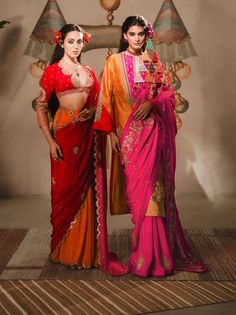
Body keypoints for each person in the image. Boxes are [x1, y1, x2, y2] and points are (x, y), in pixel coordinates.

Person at [94, 16, 207, 277]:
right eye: (131, 34)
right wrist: (110, 133)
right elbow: (105, 98)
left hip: (152, 134)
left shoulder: (152, 61)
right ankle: (145, 249)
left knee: (153, 195)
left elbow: (167, 93)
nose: (136, 38)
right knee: (137, 196)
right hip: (128, 138)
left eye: (140, 34)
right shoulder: (113, 62)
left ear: (146, 35)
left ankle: (154, 257)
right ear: (124, 36)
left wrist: (152, 104)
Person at [35, 23, 128, 276]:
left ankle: (88, 250)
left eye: (79, 41)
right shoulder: (53, 71)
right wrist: (50, 141)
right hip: (65, 134)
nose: (75, 46)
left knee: (89, 190)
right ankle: (65, 249)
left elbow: (101, 104)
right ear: (61, 43)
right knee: (66, 191)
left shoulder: (88, 71)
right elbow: (41, 106)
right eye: (70, 41)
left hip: (88, 136)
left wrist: (108, 131)